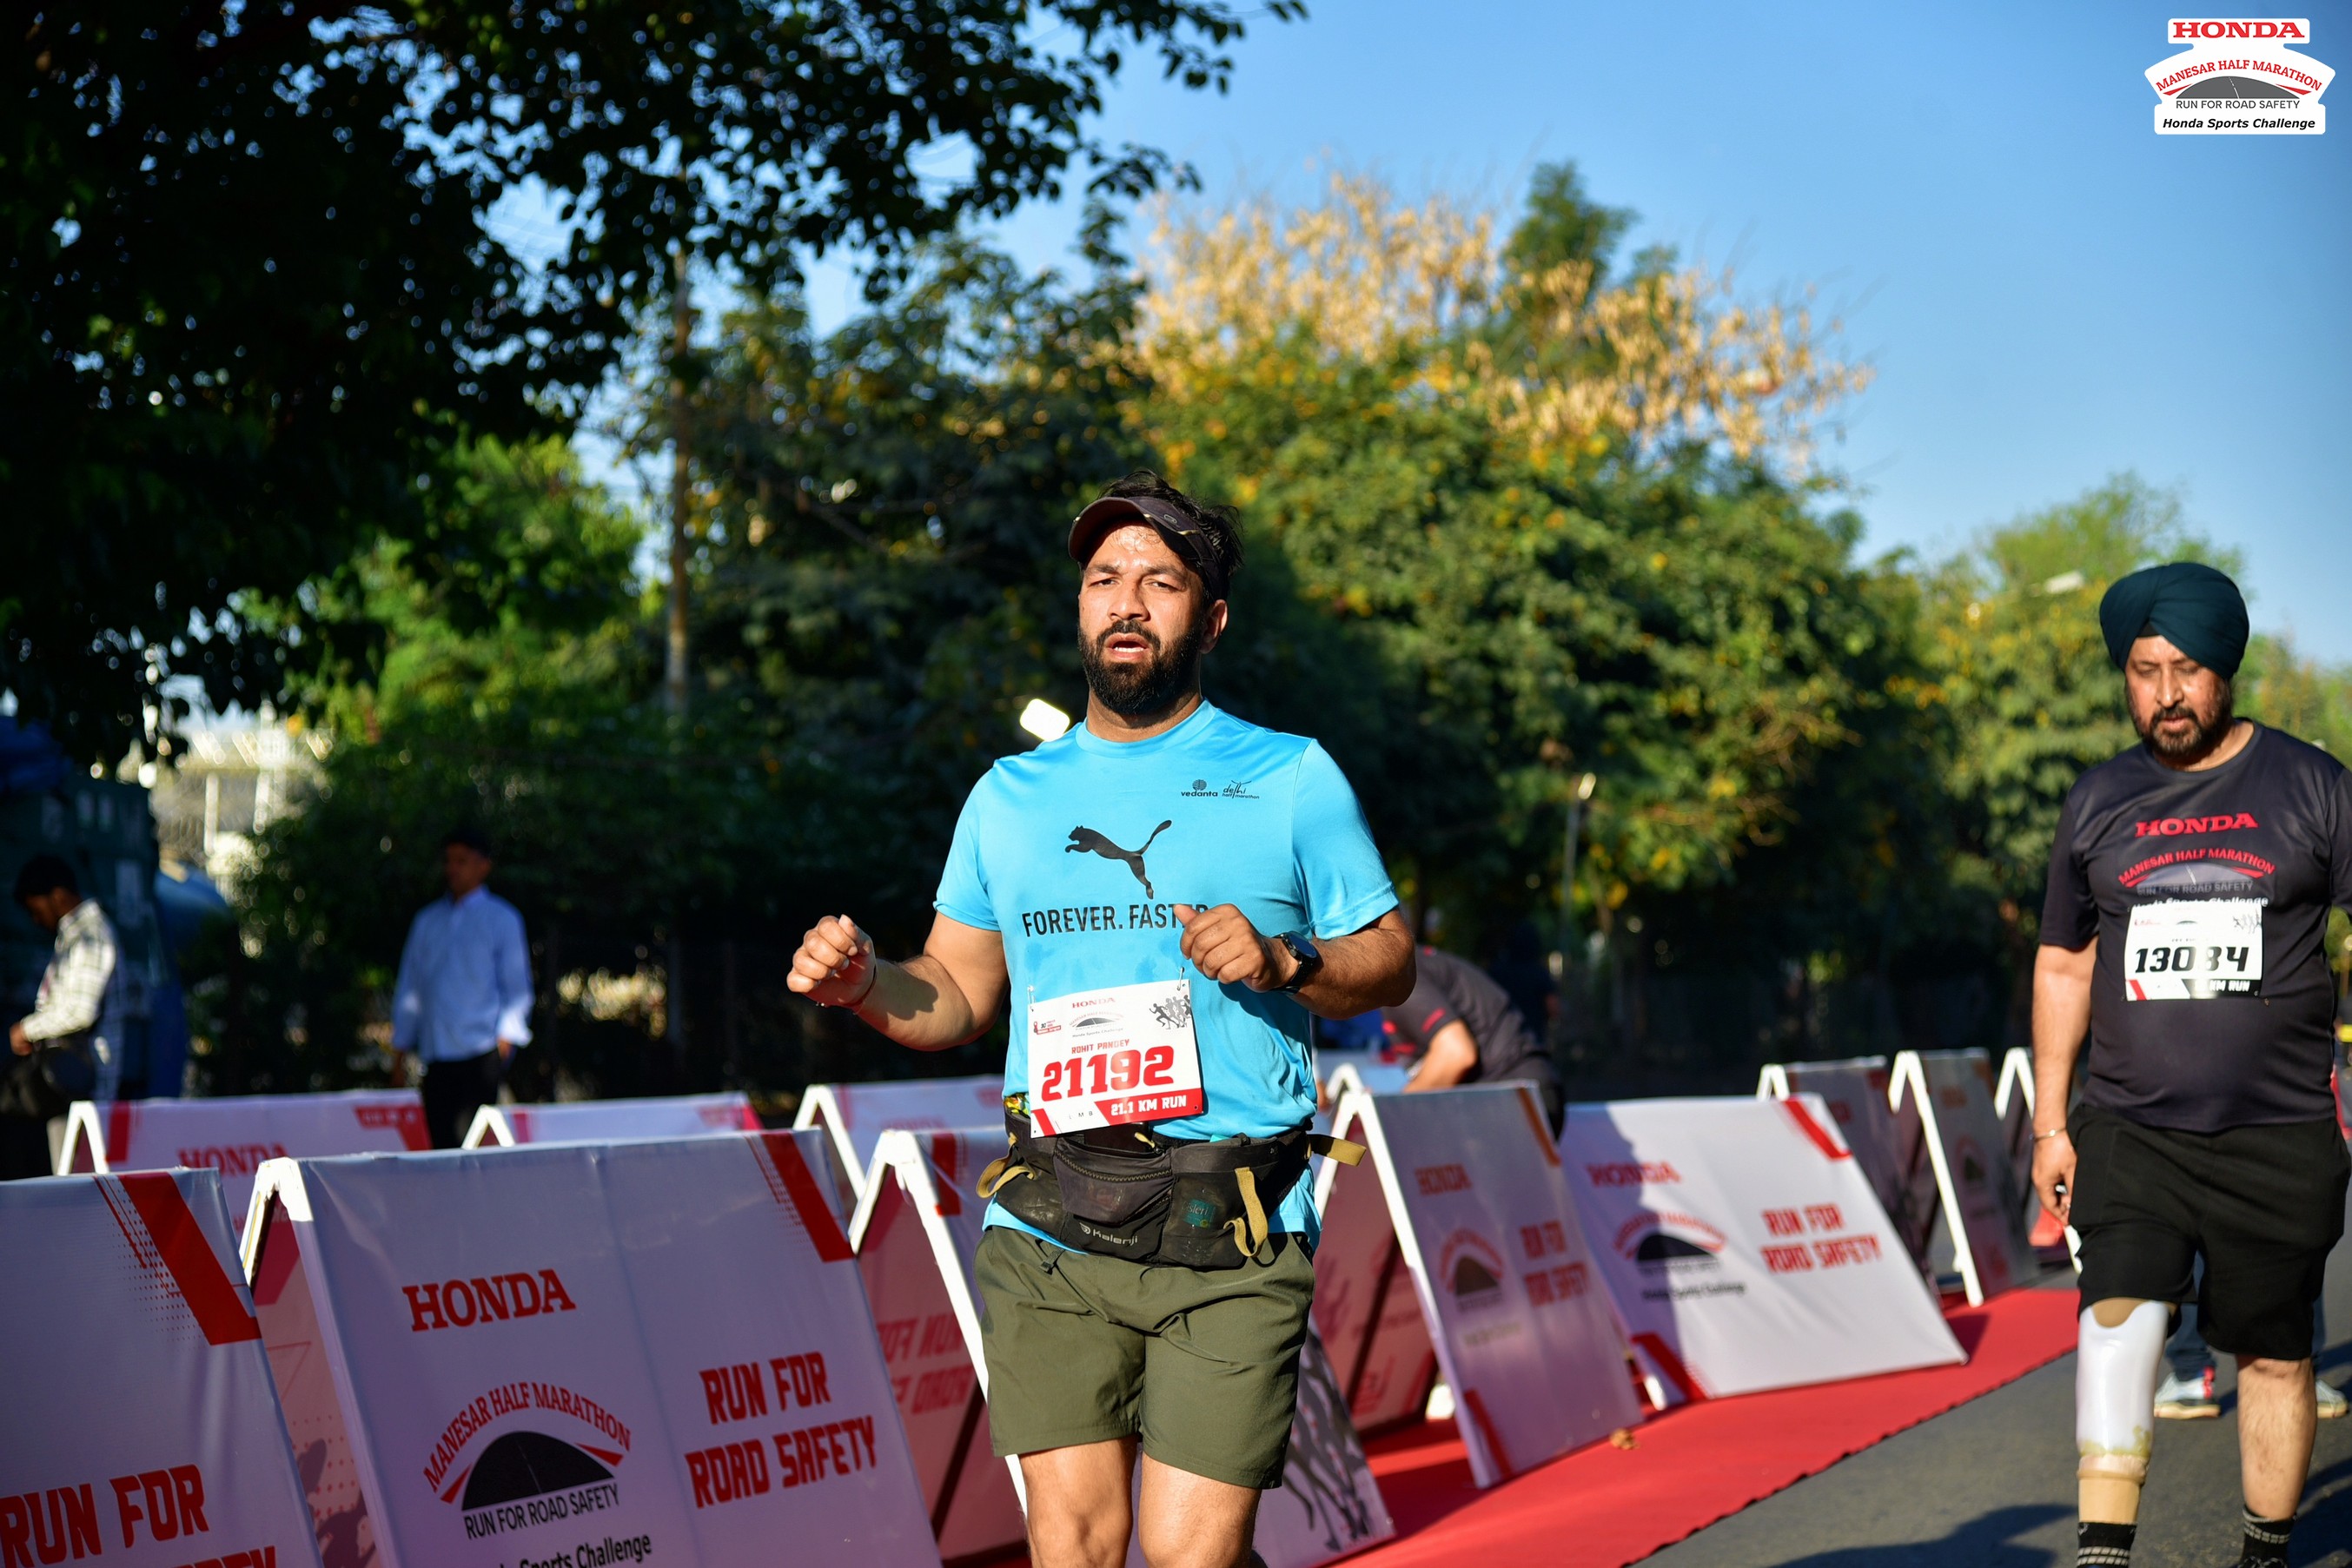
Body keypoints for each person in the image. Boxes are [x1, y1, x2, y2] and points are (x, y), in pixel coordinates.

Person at [786, 471, 1415, 1568]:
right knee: (1072, 1542)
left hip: (1230, 1222)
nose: (1126, 600)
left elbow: (1392, 958)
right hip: (1051, 1216)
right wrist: (865, 984)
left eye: (1160, 582)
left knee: (1186, 1555)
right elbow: (957, 992)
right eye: (1104, 578)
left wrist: (1287, 959)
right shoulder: (1007, 796)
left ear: (1210, 620)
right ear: (1080, 606)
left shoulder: (1289, 774)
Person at [2030, 561, 2352, 1568]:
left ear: (2225, 670)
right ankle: (2102, 1553)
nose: (2165, 694)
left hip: (2278, 1129)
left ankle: (2263, 1552)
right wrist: (2049, 1121)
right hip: (2132, 1123)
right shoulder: (2098, 799)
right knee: (2116, 1314)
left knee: (2274, 1352)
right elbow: (2063, 961)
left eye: (2186, 669)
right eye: (2144, 670)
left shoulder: (2312, 785)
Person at [392, 828, 533, 1149]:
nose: (453, 869)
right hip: (436, 1054)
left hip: (480, 1053)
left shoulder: (502, 919)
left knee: (473, 1152)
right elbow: (411, 987)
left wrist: (503, 1044)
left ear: (483, 866)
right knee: (441, 1148)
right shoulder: (428, 921)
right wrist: (400, 1050)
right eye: (449, 861)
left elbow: (516, 987)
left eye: (462, 861)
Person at [3, 854, 125, 1178]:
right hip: (70, 1083)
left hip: (85, 1084)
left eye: (36, 909)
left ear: (58, 896)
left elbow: (80, 1011)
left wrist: (26, 1030)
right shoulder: (76, 934)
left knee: (75, 1179)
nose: (36, 920)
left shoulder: (91, 935)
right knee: (65, 1172)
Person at [1384, 943, 1562, 1130]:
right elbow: (1553, 1007)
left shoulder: (1399, 977)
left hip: (1506, 1094)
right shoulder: (1422, 963)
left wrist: (1396, 1111)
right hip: (1531, 1078)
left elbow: (1455, 1054)